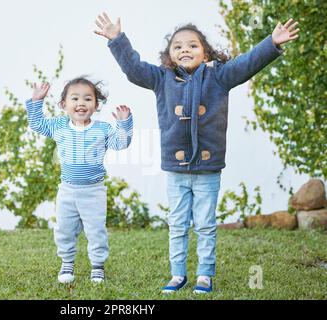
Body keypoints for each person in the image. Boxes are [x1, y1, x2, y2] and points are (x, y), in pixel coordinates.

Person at [94, 12, 299, 293]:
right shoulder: (160, 78)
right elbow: (133, 68)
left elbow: (247, 63)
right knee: (177, 225)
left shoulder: (219, 76)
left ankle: (205, 274)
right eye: (177, 46)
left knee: (205, 225)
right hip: (176, 171)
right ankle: (178, 274)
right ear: (169, 55)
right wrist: (117, 39)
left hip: (208, 169)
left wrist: (271, 43)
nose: (184, 49)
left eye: (192, 45)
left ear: (205, 53)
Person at [25, 77, 133, 283]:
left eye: (87, 99)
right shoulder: (59, 125)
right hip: (67, 191)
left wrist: (123, 123)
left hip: (94, 191)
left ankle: (98, 266)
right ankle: (67, 263)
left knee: (96, 230)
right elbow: (37, 123)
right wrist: (37, 100)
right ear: (64, 104)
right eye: (75, 98)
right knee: (64, 229)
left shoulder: (102, 129)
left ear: (96, 105)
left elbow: (121, 143)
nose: (81, 103)